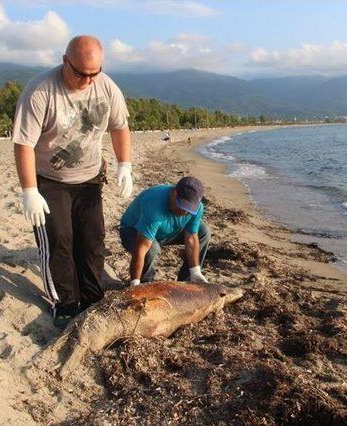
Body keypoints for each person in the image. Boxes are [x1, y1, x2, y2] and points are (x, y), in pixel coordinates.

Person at [12, 35, 133, 328]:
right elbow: (23, 144)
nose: (87, 81)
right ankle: (65, 303)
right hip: (50, 180)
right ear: (65, 61)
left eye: (94, 73)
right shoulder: (40, 90)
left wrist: (124, 165)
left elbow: (120, 126)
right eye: (80, 73)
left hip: (90, 178)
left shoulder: (106, 86)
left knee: (93, 242)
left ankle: (92, 298)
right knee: (59, 241)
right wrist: (30, 190)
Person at [119, 177, 210, 286]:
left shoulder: (197, 208)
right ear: (174, 193)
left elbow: (191, 237)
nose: (184, 212)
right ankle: (145, 282)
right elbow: (142, 247)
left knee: (204, 232)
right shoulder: (154, 204)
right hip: (132, 231)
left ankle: (188, 281)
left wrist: (195, 271)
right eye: (182, 206)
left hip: (165, 233)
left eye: (189, 209)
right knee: (152, 249)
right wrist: (134, 282)